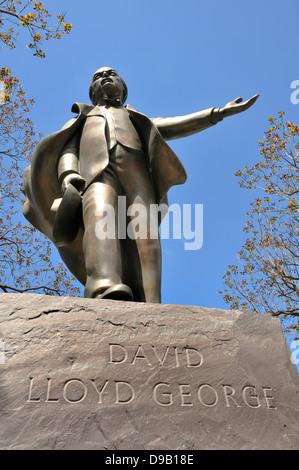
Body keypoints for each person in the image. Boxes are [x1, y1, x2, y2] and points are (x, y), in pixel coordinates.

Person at [23, 67, 258, 302]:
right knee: (99, 218)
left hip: (138, 175)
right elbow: (68, 150)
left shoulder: (137, 119)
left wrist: (217, 113)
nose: (105, 76)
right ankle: (104, 286)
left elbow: (176, 124)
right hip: (96, 176)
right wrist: (68, 175)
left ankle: (150, 296)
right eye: (97, 77)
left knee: (145, 232)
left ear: (124, 90)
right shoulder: (83, 119)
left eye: (111, 73)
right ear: (92, 93)